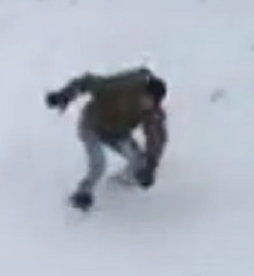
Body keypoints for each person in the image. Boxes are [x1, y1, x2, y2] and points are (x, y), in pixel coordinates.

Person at [45, 66, 168, 211]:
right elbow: (88, 81)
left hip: (118, 133)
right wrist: (64, 95)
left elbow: (157, 138)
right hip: (92, 125)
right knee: (99, 163)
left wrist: (150, 166)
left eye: (152, 103)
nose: (147, 105)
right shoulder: (122, 87)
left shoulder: (152, 113)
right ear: (142, 91)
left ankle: (119, 185)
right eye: (147, 99)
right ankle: (82, 193)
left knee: (139, 161)